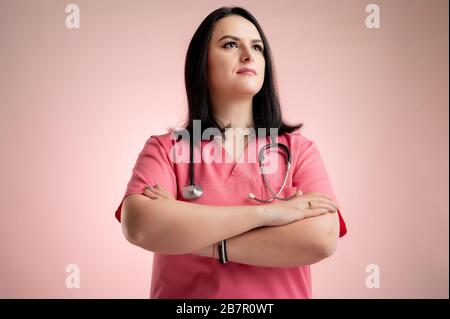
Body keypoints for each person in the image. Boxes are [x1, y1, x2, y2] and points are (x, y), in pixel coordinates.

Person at [114, 6, 347, 299]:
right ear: (202, 62)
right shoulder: (166, 149)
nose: (249, 55)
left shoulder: (299, 151)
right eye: (230, 44)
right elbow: (140, 225)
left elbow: (320, 240)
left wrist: (191, 236)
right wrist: (270, 213)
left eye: (257, 47)